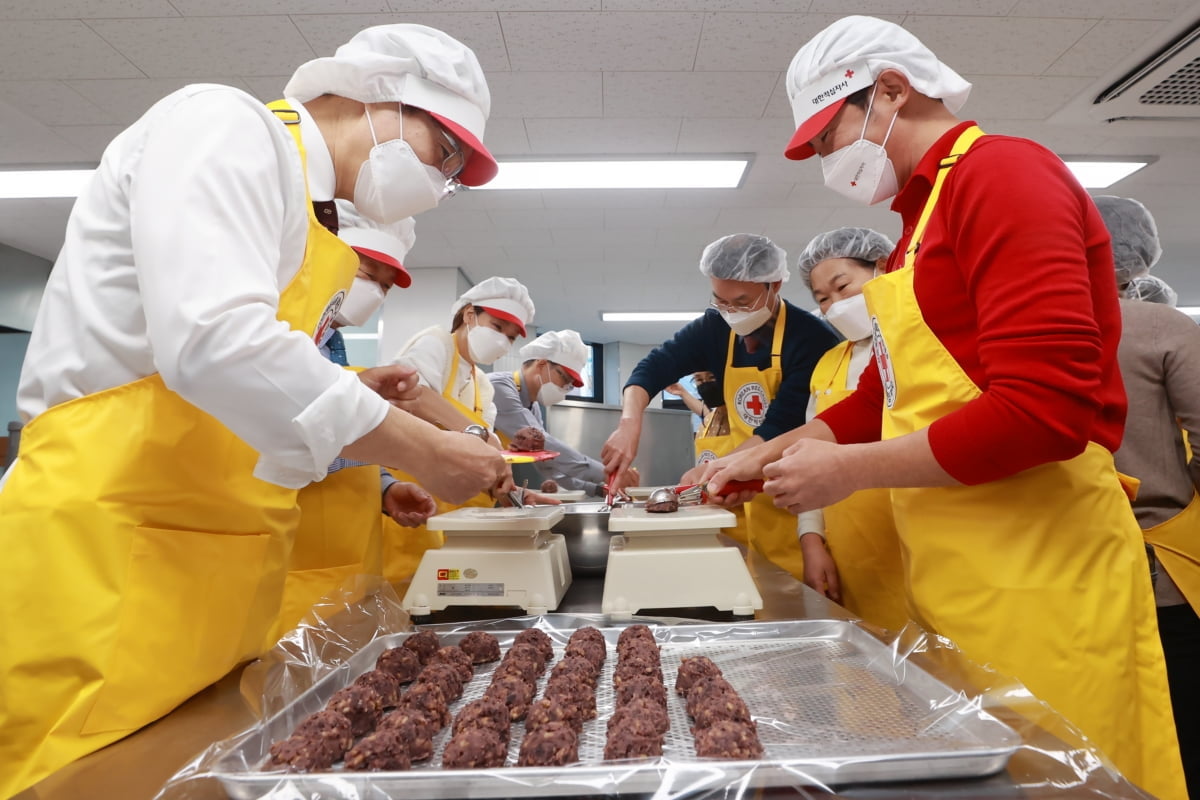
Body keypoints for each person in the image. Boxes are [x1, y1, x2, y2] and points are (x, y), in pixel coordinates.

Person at [0, 23, 510, 795]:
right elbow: (213, 339)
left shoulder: (311, 221)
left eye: (454, 175)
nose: (439, 184)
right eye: (443, 153)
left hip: (214, 584)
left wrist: (345, 405)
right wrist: (421, 448)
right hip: (104, 558)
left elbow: (248, 391)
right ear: (369, 94)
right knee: (74, 778)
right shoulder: (224, 124)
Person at [699, 16, 1185, 797]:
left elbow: (1045, 412)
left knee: (1063, 780)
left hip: (1039, 572)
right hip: (957, 571)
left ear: (890, 89)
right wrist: (777, 448)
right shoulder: (916, 227)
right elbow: (883, 396)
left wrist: (846, 471)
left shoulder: (1004, 175)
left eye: (828, 138)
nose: (826, 162)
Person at [601, 233, 838, 579]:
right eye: (720, 300)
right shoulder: (715, 327)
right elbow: (651, 368)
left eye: (741, 302)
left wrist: (720, 469)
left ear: (773, 285)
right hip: (730, 501)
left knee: (783, 597)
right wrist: (628, 424)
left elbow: (780, 427)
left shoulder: (811, 339)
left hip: (792, 506)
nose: (730, 313)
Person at [275, 202, 437, 640]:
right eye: (369, 276)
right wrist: (417, 446)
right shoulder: (279, 333)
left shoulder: (334, 343)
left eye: (386, 288)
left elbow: (343, 436)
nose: (376, 296)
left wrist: (384, 485)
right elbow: (281, 445)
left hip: (352, 560)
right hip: (295, 568)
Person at [1098, 195, 1200, 797]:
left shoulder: (1024, 331)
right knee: (1178, 724)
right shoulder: (1163, 327)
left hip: (1068, 563)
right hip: (1162, 568)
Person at [380, 276, 543, 584]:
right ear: (470, 315)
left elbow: (491, 439)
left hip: (456, 520)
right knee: (410, 597)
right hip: (416, 509)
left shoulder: (482, 382)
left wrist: (507, 484)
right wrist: (475, 434)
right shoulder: (436, 342)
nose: (502, 341)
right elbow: (412, 395)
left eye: (510, 338)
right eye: (497, 327)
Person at [794, 227, 907, 631]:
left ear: (880, 268)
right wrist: (812, 539)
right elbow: (808, 459)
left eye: (843, 287)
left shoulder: (915, 345)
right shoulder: (828, 364)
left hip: (916, 547)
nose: (836, 305)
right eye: (823, 299)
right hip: (850, 557)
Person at [489, 329, 612, 497]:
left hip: (482, 487)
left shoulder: (533, 407)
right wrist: (606, 473)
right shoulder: (500, 388)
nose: (564, 388)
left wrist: (597, 489)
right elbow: (547, 444)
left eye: (569, 385)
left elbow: (547, 464)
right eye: (564, 379)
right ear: (542, 365)